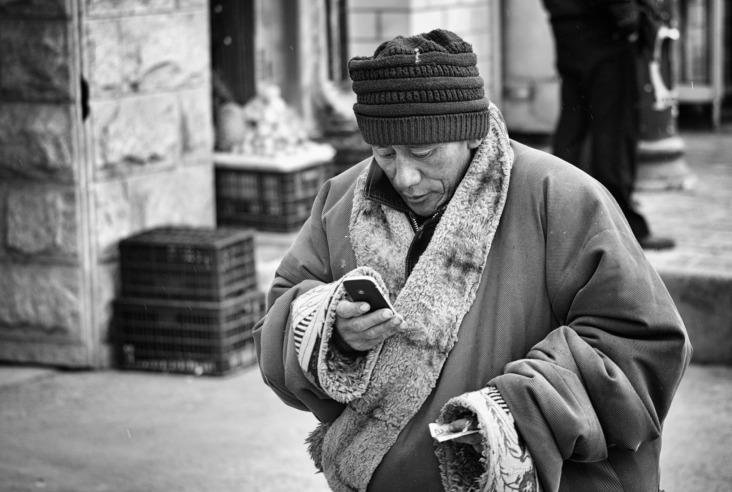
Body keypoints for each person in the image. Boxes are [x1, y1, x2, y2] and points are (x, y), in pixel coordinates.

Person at [253, 28, 692, 491]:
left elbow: (643, 344)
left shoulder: (562, 197)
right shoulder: (342, 201)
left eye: (423, 152)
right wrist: (331, 333)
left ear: (469, 134)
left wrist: (518, 414)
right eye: (385, 153)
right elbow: (276, 323)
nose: (405, 176)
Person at [540, 0, 676, 250]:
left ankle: (559, 221)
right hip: (606, 26)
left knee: (574, 125)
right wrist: (628, 18)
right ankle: (620, 227)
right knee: (614, 130)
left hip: (566, 22)